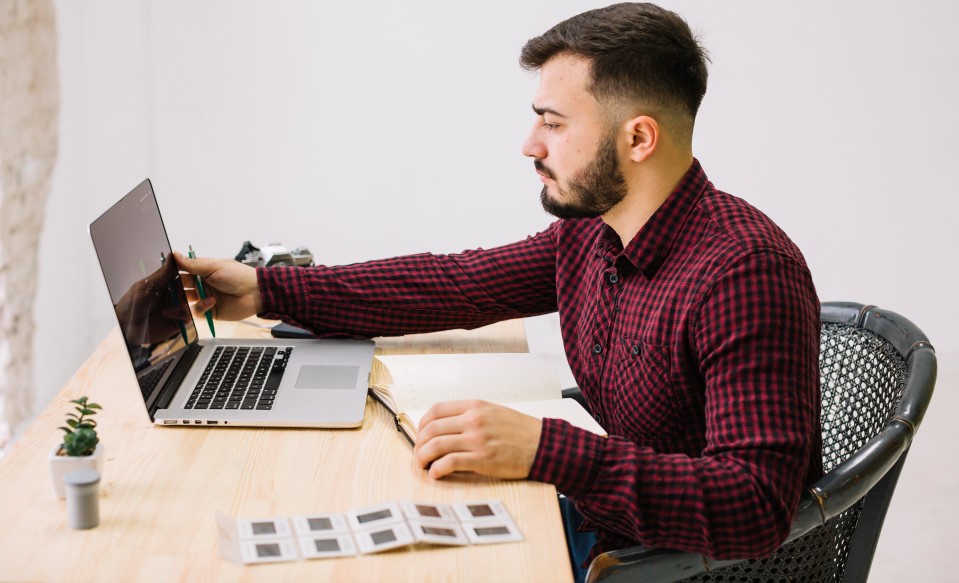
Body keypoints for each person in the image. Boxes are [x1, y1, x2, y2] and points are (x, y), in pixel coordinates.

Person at [175, 3, 822, 581]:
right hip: (600, 524)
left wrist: (547, 449)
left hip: (671, 564)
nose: (529, 145)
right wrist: (266, 288)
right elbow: (455, 284)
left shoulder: (744, 274)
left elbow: (755, 504)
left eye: (553, 122)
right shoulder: (596, 231)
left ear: (638, 137)